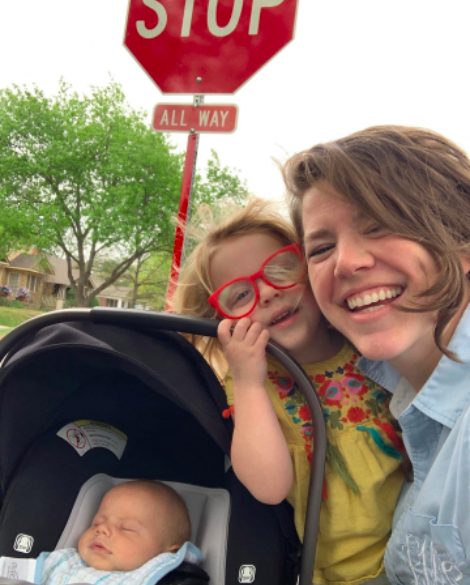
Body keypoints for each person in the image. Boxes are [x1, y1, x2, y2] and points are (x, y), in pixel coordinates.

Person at [172, 199, 404, 585]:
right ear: (223, 324)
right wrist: (248, 381)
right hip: (344, 576)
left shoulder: (369, 344)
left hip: (426, 542)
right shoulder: (253, 385)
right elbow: (269, 487)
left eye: (280, 269)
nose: (266, 293)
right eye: (239, 295)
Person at [283, 124, 470, 584]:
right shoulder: (394, 393)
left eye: (381, 226)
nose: (346, 262)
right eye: (321, 248)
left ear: (461, 243)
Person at [0, 480, 204, 585]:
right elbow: (12, 568)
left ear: (167, 554)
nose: (102, 529)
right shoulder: (66, 563)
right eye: (97, 522)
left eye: (126, 528)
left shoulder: (156, 577)